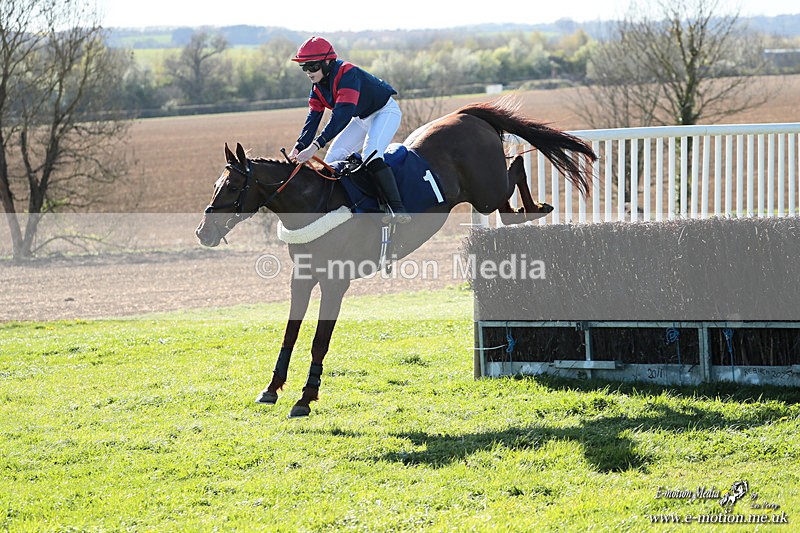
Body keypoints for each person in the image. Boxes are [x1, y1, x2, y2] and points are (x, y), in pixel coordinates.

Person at [288, 36, 411, 224]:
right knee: (332, 159)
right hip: (363, 118)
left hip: (385, 111)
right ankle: (345, 209)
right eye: (304, 67)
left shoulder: (347, 74)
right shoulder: (317, 87)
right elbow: (312, 119)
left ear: (328, 62)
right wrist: (298, 146)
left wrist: (314, 147)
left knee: (371, 155)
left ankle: (397, 208)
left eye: (312, 66)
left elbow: (341, 117)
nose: (308, 72)